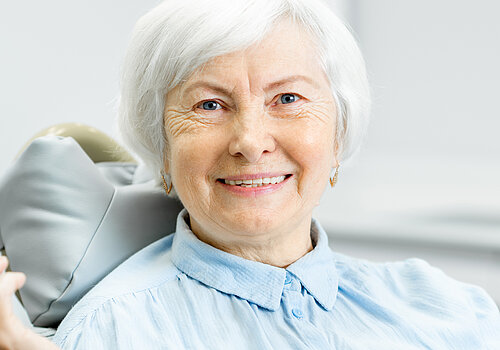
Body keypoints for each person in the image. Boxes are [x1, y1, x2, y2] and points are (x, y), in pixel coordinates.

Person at [1, 0, 499, 348]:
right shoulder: (113, 331)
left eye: (287, 99)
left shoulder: (450, 307)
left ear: (338, 133)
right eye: (210, 104)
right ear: (163, 150)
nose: (250, 140)